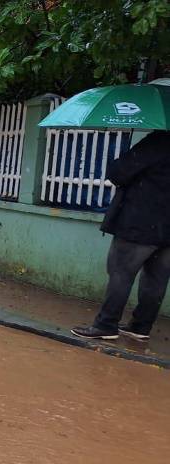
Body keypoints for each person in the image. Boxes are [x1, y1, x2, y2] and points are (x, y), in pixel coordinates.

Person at [72, 130, 170, 341]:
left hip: (141, 223)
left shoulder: (159, 140)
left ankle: (106, 324)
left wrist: (125, 157)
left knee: (120, 273)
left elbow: (118, 173)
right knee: (156, 280)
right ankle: (141, 327)